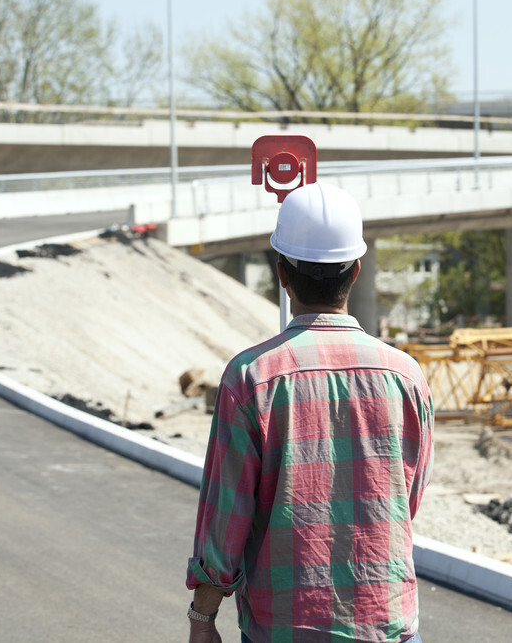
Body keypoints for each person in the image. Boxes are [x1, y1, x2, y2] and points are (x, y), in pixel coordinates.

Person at [186, 183, 434, 643]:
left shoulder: (251, 378)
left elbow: (226, 517)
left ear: (282, 274)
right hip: (387, 624)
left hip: (285, 626)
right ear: (357, 270)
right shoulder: (406, 376)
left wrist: (203, 617)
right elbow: (406, 499)